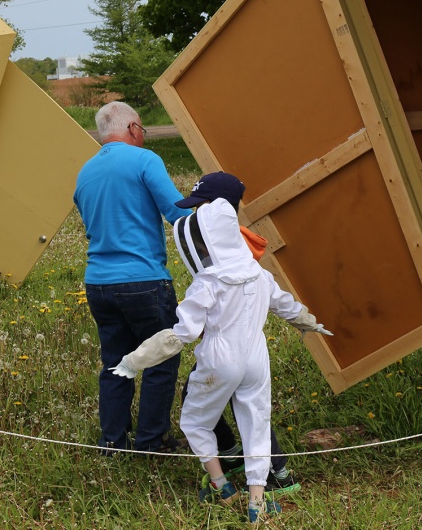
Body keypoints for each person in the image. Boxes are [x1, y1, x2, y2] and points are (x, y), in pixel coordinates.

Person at [110, 198, 332, 523]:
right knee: (257, 422)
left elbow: (179, 335)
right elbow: (286, 305)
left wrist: (133, 361)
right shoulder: (258, 273)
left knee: (196, 421)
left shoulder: (207, 283)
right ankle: (257, 502)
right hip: (256, 356)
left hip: (219, 358)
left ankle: (221, 487)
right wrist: (309, 321)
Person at [73, 101, 192, 452]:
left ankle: (113, 440)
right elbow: (177, 213)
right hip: (143, 280)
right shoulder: (145, 160)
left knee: (115, 362)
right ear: (134, 129)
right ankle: (153, 440)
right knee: (161, 357)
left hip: (98, 283)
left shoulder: (85, 171)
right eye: (143, 130)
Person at [175, 171, 299, 495]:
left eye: (198, 205)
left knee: (237, 402)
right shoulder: (229, 237)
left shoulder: (230, 243)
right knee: (249, 404)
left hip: (229, 342)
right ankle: (266, 469)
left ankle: (263, 468)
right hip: (242, 342)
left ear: (217, 207)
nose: (193, 213)